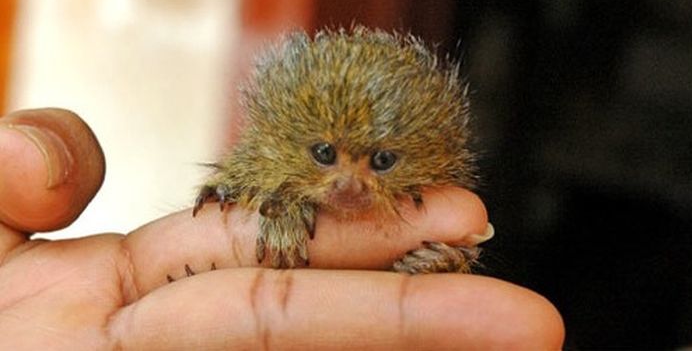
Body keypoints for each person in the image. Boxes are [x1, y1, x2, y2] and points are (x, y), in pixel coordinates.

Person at [0, 108, 564, 349]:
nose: (349, 184)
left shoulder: (425, 222)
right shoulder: (255, 188)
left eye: (382, 162)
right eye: (325, 154)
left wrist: (440, 261)